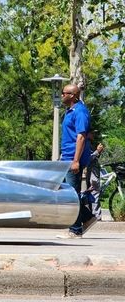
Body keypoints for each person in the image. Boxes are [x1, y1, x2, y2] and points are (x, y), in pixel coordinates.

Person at [56, 83, 94, 239]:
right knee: (64, 191)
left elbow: (81, 136)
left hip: (73, 159)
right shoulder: (70, 111)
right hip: (67, 157)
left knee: (72, 193)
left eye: (64, 93)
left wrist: (76, 160)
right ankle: (86, 217)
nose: (62, 95)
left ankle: (76, 230)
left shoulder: (80, 111)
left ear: (72, 95)